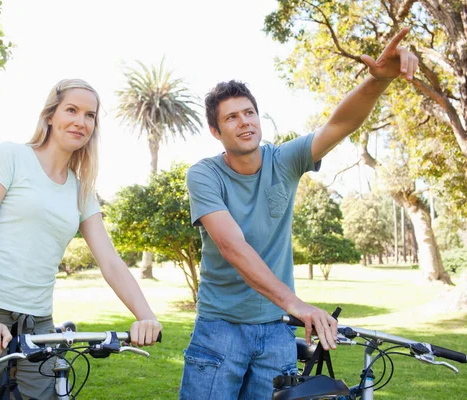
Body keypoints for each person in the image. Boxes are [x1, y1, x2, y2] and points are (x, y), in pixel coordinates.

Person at [179, 28, 418, 399]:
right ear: (215, 130)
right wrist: (295, 303)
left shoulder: (284, 160)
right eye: (231, 118)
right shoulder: (205, 174)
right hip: (219, 329)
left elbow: (338, 125)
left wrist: (377, 80)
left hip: (276, 331)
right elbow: (231, 246)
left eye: (249, 112)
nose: (245, 121)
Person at [0, 79, 163, 400]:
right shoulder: (11, 157)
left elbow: (110, 261)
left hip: (37, 323)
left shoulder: (81, 189)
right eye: (72, 110)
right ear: (51, 115)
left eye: (90, 115)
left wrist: (145, 315)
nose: (81, 121)